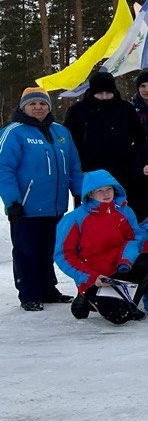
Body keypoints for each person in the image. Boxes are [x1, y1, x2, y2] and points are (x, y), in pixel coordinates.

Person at [0, 87, 83, 310]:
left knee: (48, 249)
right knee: (26, 251)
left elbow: (74, 165)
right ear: (23, 106)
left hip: (55, 206)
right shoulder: (14, 132)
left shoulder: (61, 132)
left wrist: (78, 192)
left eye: (42, 103)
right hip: (25, 207)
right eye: (33, 103)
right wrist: (12, 202)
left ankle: (48, 289)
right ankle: (28, 293)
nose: (38, 107)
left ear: (49, 106)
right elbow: (4, 169)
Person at [55, 170, 148, 325]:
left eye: (109, 189)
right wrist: (91, 277)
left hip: (121, 269)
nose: (106, 194)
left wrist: (126, 259)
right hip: (96, 278)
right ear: (89, 194)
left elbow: (136, 237)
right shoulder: (74, 219)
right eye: (99, 190)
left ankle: (130, 302)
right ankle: (86, 296)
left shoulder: (125, 211)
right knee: (119, 317)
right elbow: (64, 255)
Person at [65, 70, 146, 190]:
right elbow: (70, 143)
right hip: (89, 173)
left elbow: (139, 138)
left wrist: (132, 161)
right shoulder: (78, 111)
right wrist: (79, 169)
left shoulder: (125, 109)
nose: (104, 97)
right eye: (100, 93)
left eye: (108, 93)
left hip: (122, 173)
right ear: (92, 92)